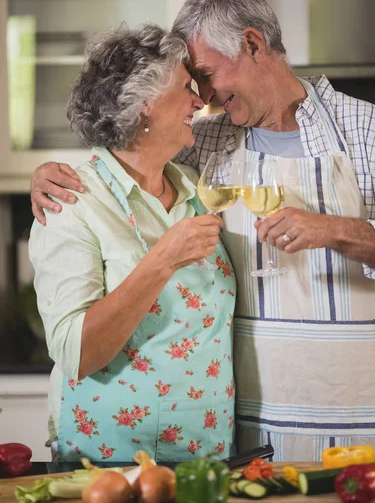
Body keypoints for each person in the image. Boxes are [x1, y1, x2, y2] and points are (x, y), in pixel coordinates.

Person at [31, 0, 375, 462]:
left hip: (349, 403)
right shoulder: (204, 143)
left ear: (252, 44)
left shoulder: (370, 132)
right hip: (241, 420)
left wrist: (334, 229)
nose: (201, 97)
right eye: (190, 84)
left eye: (203, 74)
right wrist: (45, 174)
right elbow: (121, 149)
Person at [29, 24, 236, 463]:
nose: (200, 101)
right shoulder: (72, 201)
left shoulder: (199, 189)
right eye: (185, 87)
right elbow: (77, 354)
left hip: (208, 454)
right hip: (109, 463)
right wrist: (161, 260)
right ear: (146, 105)